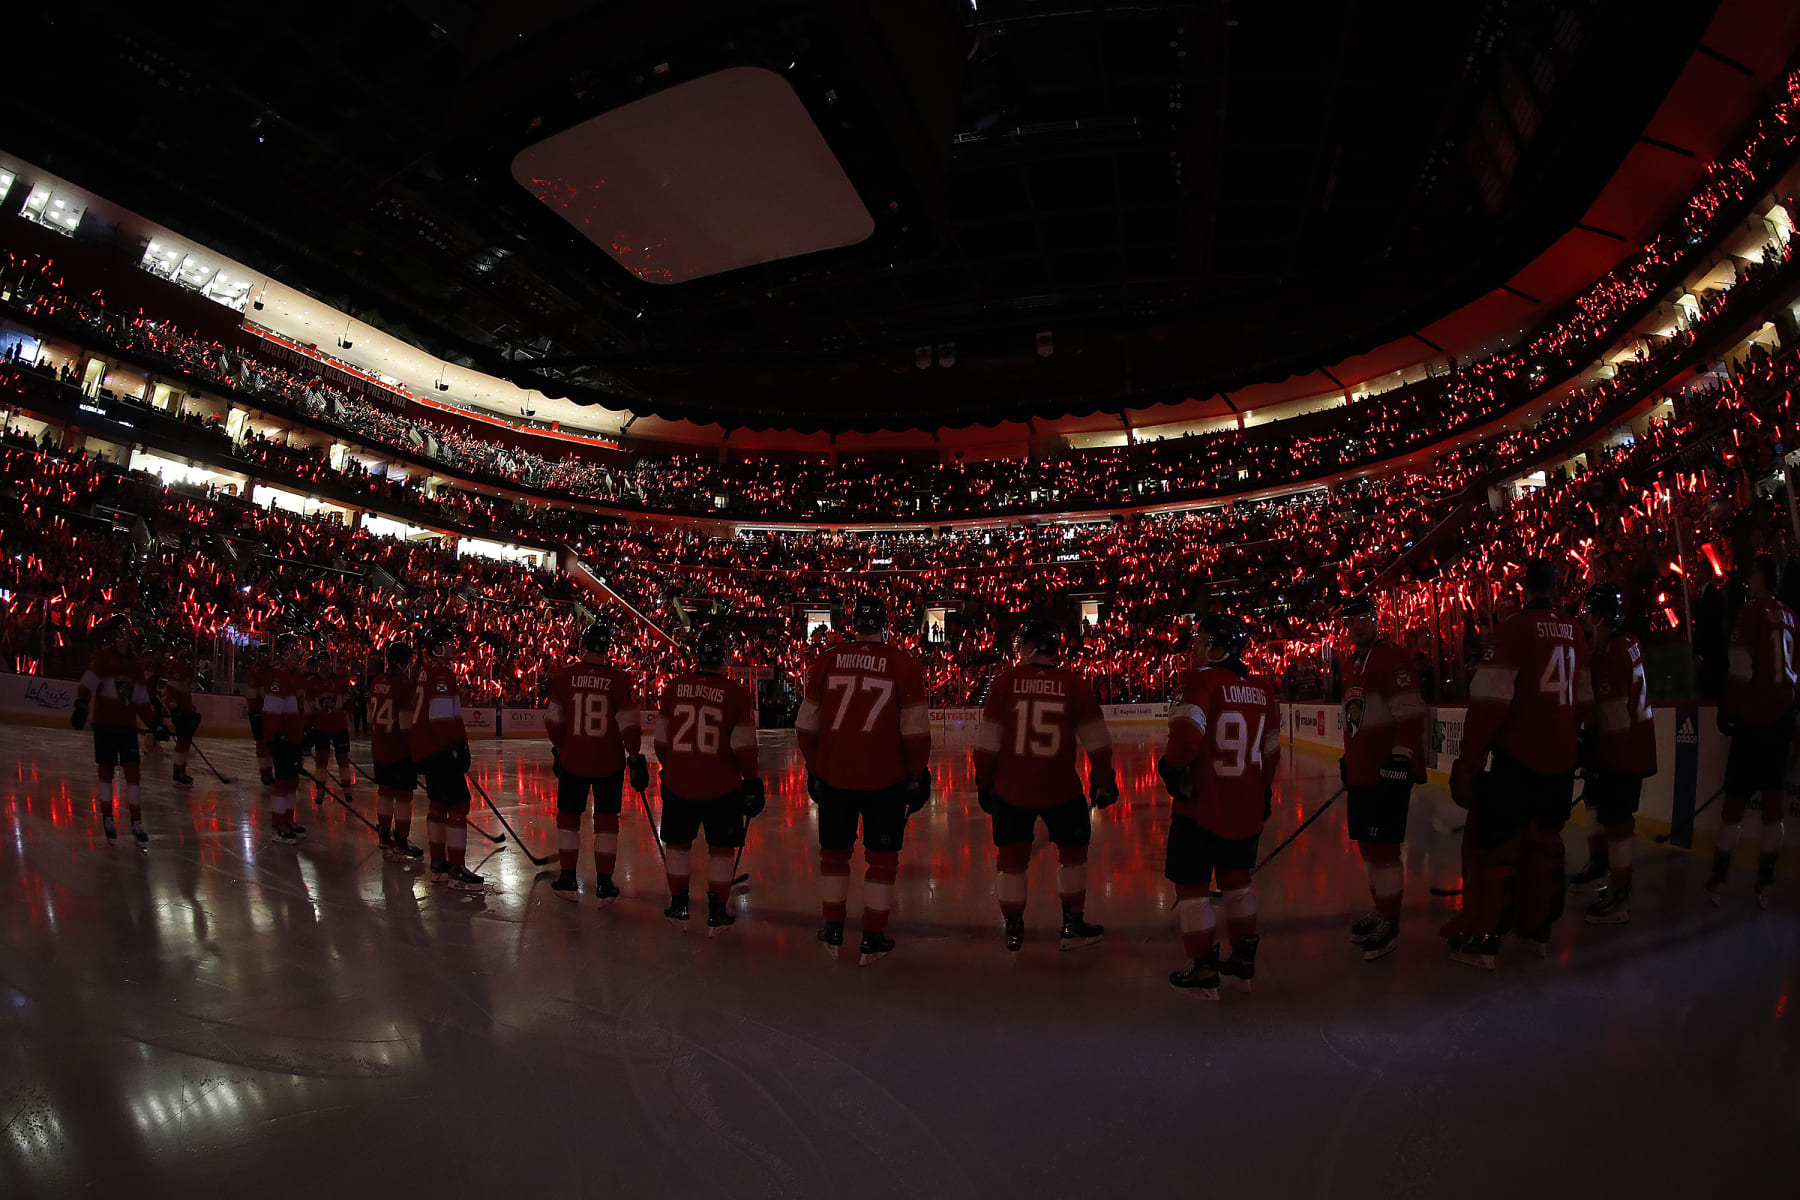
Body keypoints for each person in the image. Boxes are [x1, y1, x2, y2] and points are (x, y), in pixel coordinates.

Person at [1449, 559, 1590, 968]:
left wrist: (1469, 759)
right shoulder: (1575, 632)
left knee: (1499, 847)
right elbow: (1583, 702)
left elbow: (1490, 704)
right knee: (1545, 842)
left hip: (1520, 759)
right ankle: (1539, 929)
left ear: (1523, 586)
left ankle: (1487, 939)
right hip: (1562, 762)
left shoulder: (1514, 629)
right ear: (1556, 587)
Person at [795, 595, 932, 966]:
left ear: (854, 623)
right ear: (885, 623)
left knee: (834, 856)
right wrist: (916, 774)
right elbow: (916, 733)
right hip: (885, 779)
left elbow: (805, 726)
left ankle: (833, 928)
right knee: (882, 859)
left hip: (835, 776)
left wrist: (815, 766)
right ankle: (872, 935)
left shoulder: (825, 660)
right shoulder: (903, 664)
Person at [974, 615, 1118, 952]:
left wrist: (984, 782)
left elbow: (987, 743)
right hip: (1060, 786)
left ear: (1030, 645)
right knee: (1073, 855)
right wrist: (1102, 778)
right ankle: (1072, 922)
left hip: (1011, 787)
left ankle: (1013, 926)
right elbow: (1097, 740)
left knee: (1011, 860)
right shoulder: (1074, 683)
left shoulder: (1005, 682)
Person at [1156, 612, 1281, 997]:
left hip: (1202, 803)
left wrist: (1172, 769)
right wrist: (1262, 791)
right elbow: (1271, 749)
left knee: (1191, 887)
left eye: (1200, 641)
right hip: (1245, 801)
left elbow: (1186, 736)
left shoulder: (1199, 681)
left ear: (1218, 647)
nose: (1194, 647)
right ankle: (1243, 958)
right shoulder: (1263, 689)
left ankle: (1203, 967)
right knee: (1238, 883)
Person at [651, 628, 761, 933]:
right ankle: (717, 911)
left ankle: (678, 906)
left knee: (677, 846)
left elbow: (661, 741)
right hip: (722, 786)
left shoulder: (673, 688)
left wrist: (672, 767)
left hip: (679, 782)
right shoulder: (737, 694)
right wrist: (751, 781)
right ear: (723, 656)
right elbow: (744, 747)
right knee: (721, 850)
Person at [1335, 595, 1426, 962]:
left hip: (1386, 773)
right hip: (1362, 772)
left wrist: (1401, 759)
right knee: (1368, 847)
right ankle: (1382, 909)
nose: (1359, 625)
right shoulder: (1350, 663)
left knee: (1385, 850)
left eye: (1365, 618)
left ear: (1376, 620)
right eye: (1352, 620)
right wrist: (1349, 758)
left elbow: (1410, 713)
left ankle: (1390, 922)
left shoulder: (1392, 657)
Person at [1713, 554, 1796, 908]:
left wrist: (1729, 710)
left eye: (1753, 573)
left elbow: (1740, 669)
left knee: (1734, 802)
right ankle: (1765, 882)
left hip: (1753, 719)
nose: (1748, 578)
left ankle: (1718, 878)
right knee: (1774, 804)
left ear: (1762, 577)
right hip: (1784, 716)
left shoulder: (1750, 613)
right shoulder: (1792, 616)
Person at [545, 622, 649, 903]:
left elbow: (553, 721)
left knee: (568, 818)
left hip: (573, 758)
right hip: (609, 762)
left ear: (583, 645)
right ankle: (604, 883)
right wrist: (635, 756)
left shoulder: (565, 677)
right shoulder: (619, 680)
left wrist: (560, 747)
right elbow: (629, 725)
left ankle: (567, 878)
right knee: (605, 821)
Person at [1571, 584, 1657, 924]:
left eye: (1590, 613)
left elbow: (1615, 718)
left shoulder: (1606, 656)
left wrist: (1592, 749)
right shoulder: (1631, 642)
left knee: (1619, 822)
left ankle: (1621, 898)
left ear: (1602, 616)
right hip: (1637, 743)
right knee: (1599, 805)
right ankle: (1602, 869)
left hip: (1621, 749)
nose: (1585, 618)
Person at [72, 614, 158, 844]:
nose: (124, 634)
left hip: (127, 727)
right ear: (113, 635)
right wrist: (81, 704)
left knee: (133, 775)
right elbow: (88, 682)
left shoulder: (135, 665)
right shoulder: (102, 658)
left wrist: (154, 723)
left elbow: (141, 699)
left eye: (126, 630)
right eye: (120, 630)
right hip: (105, 726)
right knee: (106, 773)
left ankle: (136, 821)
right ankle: (108, 817)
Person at [411, 622, 484, 891]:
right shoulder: (441, 674)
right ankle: (456, 867)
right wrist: (456, 747)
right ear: (438, 647)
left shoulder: (426, 672)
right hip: (439, 750)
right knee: (458, 805)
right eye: (449, 641)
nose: (454, 645)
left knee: (437, 806)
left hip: (429, 750)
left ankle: (439, 864)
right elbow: (440, 718)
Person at [368, 640, 423, 862]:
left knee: (384, 791)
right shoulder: (403, 685)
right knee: (403, 796)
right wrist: (417, 750)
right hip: (398, 750)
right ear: (402, 662)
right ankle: (401, 839)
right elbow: (406, 726)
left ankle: (384, 835)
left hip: (379, 746)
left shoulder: (376, 681)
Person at [260, 632, 310, 845]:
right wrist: (277, 735)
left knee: (292, 780)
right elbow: (271, 710)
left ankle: (288, 820)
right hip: (283, 739)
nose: (298, 653)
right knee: (282, 781)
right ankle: (277, 824)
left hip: (293, 737)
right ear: (283, 652)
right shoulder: (278, 674)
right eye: (294, 648)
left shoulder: (294, 675)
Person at [304, 652, 356, 800]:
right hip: (321, 728)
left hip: (339, 726)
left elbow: (345, 701)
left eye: (325, 661)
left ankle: (347, 790)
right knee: (321, 761)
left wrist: (351, 706)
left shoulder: (339, 680)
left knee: (343, 760)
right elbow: (308, 706)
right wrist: (307, 727)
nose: (323, 664)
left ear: (330, 662)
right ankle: (320, 791)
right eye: (320, 661)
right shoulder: (311, 682)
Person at [161, 646, 202, 787]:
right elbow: (172, 690)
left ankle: (181, 771)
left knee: (185, 741)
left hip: (185, 711)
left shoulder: (183, 668)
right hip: (180, 711)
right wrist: (174, 707)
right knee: (183, 741)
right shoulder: (177, 667)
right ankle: (178, 772)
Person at [244, 648, 276, 786]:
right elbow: (252, 695)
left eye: (266, 653)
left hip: (270, 712)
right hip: (258, 712)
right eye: (262, 654)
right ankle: (265, 773)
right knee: (262, 744)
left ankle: (269, 772)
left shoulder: (272, 671)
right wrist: (255, 711)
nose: (265, 657)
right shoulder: (255, 672)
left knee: (270, 743)